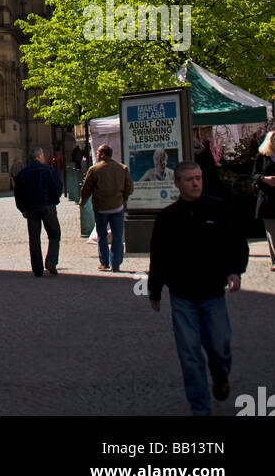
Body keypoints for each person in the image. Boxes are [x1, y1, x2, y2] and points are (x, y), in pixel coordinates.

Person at [148, 160, 249, 417]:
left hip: (213, 293)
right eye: (190, 179)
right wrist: (155, 290)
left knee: (220, 345)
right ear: (178, 183)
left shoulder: (219, 209)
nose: (196, 183)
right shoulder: (168, 218)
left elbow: (236, 243)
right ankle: (200, 408)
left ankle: (220, 375)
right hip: (183, 297)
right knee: (189, 355)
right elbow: (158, 257)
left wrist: (235, 270)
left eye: (199, 178)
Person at [79, 143, 133, 272]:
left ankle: (104, 262)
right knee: (118, 236)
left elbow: (86, 189)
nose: (96, 155)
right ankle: (116, 264)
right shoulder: (122, 168)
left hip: (101, 208)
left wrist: (83, 201)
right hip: (117, 207)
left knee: (102, 236)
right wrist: (123, 199)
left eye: (97, 153)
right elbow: (129, 188)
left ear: (102, 154)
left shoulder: (94, 169)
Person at [13, 146, 63, 276]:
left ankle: (37, 269)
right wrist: (54, 200)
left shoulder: (23, 173)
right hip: (47, 205)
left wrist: (22, 209)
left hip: (31, 208)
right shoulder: (48, 170)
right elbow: (57, 187)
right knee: (54, 234)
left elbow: (18, 193)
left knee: (34, 238)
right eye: (43, 156)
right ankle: (51, 261)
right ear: (39, 156)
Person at [252, 129, 275, 272]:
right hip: (268, 198)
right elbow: (254, 174)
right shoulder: (262, 156)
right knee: (272, 232)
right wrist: (265, 179)